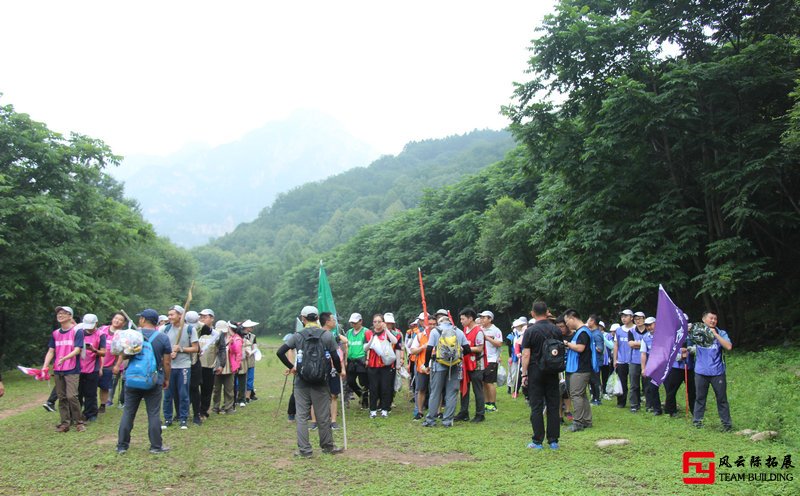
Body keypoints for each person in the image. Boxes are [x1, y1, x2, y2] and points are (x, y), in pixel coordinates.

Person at [276, 305, 344, 458]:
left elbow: (280, 352)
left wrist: (292, 367)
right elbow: (335, 357)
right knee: (323, 415)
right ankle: (327, 446)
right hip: (321, 381)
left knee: (301, 416)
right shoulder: (327, 335)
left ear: (303, 319)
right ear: (318, 318)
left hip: (301, 381)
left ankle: (304, 450)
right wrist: (339, 371)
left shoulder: (297, 336)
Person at [116, 309, 172, 455]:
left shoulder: (135, 335)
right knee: (153, 413)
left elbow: (125, 355)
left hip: (133, 379)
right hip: (154, 379)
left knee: (128, 412)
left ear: (142, 320)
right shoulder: (163, 338)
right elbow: (167, 362)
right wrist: (166, 378)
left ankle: (122, 446)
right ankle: (156, 446)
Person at [521, 301, 562, 450]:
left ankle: (537, 440)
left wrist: (524, 374)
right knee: (553, 405)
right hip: (552, 371)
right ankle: (553, 440)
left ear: (532, 313)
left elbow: (526, 354)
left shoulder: (530, 331)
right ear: (547, 312)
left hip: (535, 371)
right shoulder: (556, 330)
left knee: (536, 406)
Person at [421, 316, 471, 427]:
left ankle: (431, 420)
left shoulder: (435, 331)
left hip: (438, 365)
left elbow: (429, 349)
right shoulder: (458, 331)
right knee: (452, 393)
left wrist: (426, 364)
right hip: (455, 366)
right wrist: (459, 357)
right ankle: (448, 421)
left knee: (435, 393)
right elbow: (468, 349)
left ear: (439, 323)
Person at [42, 306, 85, 432]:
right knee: (61, 397)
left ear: (70, 316)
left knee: (72, 396)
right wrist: (45, 365)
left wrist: (65, 358)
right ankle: (65, 423)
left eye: (63, 313)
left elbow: (78, 350)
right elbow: (51, 351)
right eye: (59, 313)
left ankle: (79, 422)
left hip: (72, 369)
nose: (60, 315)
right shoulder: (55, 333)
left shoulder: (77, 332)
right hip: (58, 369)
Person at [692, 310, 733, 431]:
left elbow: (729, 346)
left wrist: (715, 335)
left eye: (715, 319)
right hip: (700, 371)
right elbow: (685, 341)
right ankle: (697, 422)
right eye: (711, 318)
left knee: (722, 399)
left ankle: (727, 424)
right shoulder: (697, 332)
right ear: (704, 320)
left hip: (717, 372)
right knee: (700, 397)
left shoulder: (721, 332)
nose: (713, 321)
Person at [161, 305, 199, 430]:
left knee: (183, 393)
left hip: (183, 366)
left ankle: (183, 418)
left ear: (180, 315)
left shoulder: (189, 330)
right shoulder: (164, 329)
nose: (169, 317)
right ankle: (167, 418)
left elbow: (195, 348)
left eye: (172, 314)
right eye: (169, 314)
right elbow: (159, 346)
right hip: (168, 367)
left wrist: (181, 349)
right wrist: (167, 353)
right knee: (167, 394)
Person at [563, 309, 596, 432]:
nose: (567, 325)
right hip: (580, 368)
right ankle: (587, 421)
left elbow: (580, 348)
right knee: (582, 395)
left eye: (567, 322)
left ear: (572, 318)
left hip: (580, 369)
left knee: (576, 395)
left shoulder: (583, 332)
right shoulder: (582, 331)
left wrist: (567, 343)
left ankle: (578, 422)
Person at [364, 314, 398, 418]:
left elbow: (395, 341)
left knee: (385, 387)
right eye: (375, 321)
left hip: (385, 363)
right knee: (373, 388)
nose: (377, 324)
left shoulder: (387, 332)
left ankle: (385, 409)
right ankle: (373, 410)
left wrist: (386, 330)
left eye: (379, 321)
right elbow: (365, 348)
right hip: (373, 364)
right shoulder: (369, 333)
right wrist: (371, 340)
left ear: (383, 322)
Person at [455, 308, 485, 423]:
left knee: (477, 389)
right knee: (464, 388)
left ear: (470, 318)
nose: (461, 321)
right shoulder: (464, 330)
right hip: (465, 364)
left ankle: (480, 414)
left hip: (476, 364)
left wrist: (463, 348)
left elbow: (479, 348)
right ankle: (464, 412)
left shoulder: (478, 331)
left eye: (463, 319)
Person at [663, 320, 695, 418]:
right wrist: (680, 356)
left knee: (692, 390)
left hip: (689, 367)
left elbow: (696, 348)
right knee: (671, 389)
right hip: (676, 366)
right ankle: (671, 410)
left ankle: (695, 410)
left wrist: (689, 351)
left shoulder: (692, 335)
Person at [198, 309, 226, 419]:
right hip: (195, 365)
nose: (202, 319)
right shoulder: (196, 330)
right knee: (194, 389)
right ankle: (196, 409)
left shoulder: (217, 334)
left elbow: (222, 349)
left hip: (209, 366)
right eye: (201, 317)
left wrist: (221, 364)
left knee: (207, 390)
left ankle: (203, 411)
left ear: (212, 318)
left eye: (205, 317)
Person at [77, 313, 105, 423]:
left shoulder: (101, 334)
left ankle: (91, 413)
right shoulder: (79, 332)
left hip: (93, 367)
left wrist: (94, 350)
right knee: (78, 392)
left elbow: (103, 352)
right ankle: (76, 413)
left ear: (96, 324)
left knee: (90, 393)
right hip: (78, 367)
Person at [98, 312, 126, 411]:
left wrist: (117, 365)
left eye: (120, 320)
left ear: (123, 324)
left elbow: (123, 352)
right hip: (97, 362)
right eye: (115, 318)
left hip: (111, 364)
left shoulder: (123, 335)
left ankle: (103, 405)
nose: (117, 320)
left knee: (105, 386)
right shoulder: (102, 330)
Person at [212, 320, 241, 415]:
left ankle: (228, 407)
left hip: (229, 367)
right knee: (216, 389)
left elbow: (237, 351)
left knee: (229, 389)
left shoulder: (232, 338)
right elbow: (215, 351)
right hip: (217, 365)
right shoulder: (214, 339)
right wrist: (226, 344)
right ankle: (215, 407)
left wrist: (231, 343)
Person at [409, 314, 433, 420]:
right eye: (422, 321)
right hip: (421, 366)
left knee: (435, 390)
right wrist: (423, 347)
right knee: (421, 389)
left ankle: (436, 411)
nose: (424, 323)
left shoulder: (437, 334)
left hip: (435, 366)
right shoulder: (419, 335)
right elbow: (412, 350)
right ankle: (419, 411)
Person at [480, 310, 503, 413]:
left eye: (484, 317)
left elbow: (499, 343)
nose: (482, 320)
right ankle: (486, 403)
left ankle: (492, 404)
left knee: (489, 383)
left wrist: (487, 338)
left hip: (492, 359)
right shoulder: (479, 329)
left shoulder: (496, 330)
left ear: (490, 319)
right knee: (483, 382)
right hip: (481, 359)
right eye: (481, 318)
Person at [183, 311, 204, 425]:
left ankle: (196, 414)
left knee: (194, 388)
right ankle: (182, 413)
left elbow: (214, 334)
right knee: (181, 389)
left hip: (194, 362)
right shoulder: (180, 329)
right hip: (181, 362)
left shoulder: (201, 327)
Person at [345, 313, 369, 409]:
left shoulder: (366, 332)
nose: (353, 324)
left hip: (362, 360)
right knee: (350, 381)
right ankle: (361, 395)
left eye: (355, 322)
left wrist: (367, 359)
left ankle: (365, 401)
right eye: (352, 323)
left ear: (360, 321)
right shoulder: (348, 332)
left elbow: (370, 346)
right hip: (351, 360)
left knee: (364, 382)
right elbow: (347, 346)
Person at [639, 316, 662, 416]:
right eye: (647, 325)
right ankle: (656, 408)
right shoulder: (645, 337)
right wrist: (643, 368)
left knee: (670, 387)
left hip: (663, 364)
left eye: (650, 325)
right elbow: (643, 353)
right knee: (652, 387)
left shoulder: (663, 335)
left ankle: (671, 409)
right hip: (652, 364)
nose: (649, 327)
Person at [613, 309, 635, 408]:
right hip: (621, 360)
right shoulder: (618, 330)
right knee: (622, 382)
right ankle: (621, 402)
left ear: (631, 317)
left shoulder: (636, 329)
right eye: (622, 317)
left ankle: (635, 402)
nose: (623, 318)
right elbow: (616, 345)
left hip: (634, 360)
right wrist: (615, 359)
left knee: (634, 382)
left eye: (626, 316)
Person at [586, 315, 604, 405]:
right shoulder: (590, 332)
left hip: (596, 361)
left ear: (593, 321)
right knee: (591, 381)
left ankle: (597, 399)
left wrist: (590, 347)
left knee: (595, 381)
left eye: (589, 320)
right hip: (591, 361)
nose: (587, 322)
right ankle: (593, 398)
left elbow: (600, 349)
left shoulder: (597, 334)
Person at [241, 319, 260, 401]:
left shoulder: (253, 336)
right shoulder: (239, 335)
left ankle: (248, 396)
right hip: (241, 360)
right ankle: (240, 396)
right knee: (241, 379)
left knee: (250, 378)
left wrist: (251, 352)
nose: (252, 327)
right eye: (250, 326)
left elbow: (255, 347)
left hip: (250, 360)